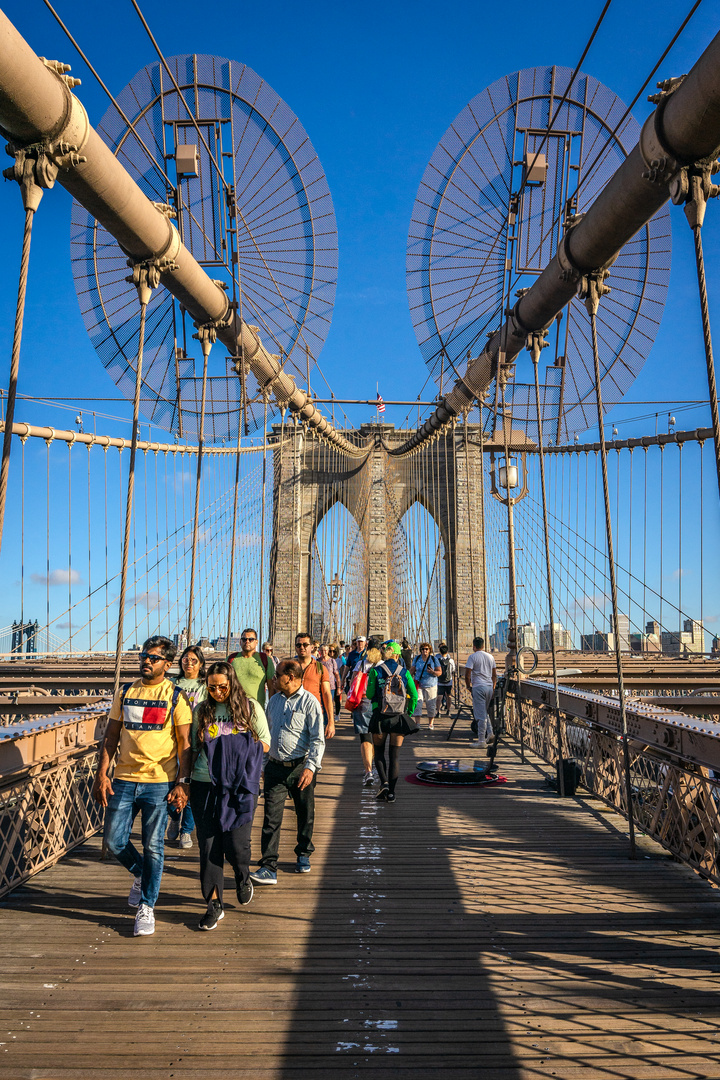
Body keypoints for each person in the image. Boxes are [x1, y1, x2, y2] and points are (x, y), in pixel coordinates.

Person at [92, 636, 193, 937]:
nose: (145, 662)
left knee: (153, 845)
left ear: (168, 663)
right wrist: (102, 773)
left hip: (159, 781)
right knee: (114, 841)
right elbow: (110, 736)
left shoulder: (176, 696)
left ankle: (147, 906)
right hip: (123, 778)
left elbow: (186, 745)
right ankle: (141, 874)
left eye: (153, 658)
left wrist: (182, 784)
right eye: (143, 657)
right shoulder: (125, 692)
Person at [189, 661, 270, 931]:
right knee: (209, 846)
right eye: (211, 688)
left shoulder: (250, 708)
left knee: (236, 845)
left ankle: (242, 874)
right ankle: (214, 904)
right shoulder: (201, 710)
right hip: (205, 782)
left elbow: (266, 743)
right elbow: (193, 747)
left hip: (240, 786)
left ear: (232, 683)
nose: (217, 692)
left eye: (222, 687)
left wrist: (231, 747)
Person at [250, 658, 325, 884]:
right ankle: (268, 866)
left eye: (278, 674)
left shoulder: (310, 703)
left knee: (305, 813)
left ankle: (303, 853)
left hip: (301, 766)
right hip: (275, 767)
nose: (274, 678)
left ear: (290, 677)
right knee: (271, 818)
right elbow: (266, 735)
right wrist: (264, 764)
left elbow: (318, 740)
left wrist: (311, 768)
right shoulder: (273, 701)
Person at [167, 644, 208, 848]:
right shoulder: (172, 683)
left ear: (201, 664)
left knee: (191, 783)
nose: (189, 663)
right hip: (173, 739)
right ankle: (174, 816)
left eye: (194, 660)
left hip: (197, 741)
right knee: (171, 781)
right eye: (185, 659)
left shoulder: (205, 685)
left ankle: (186, 831)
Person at [367, 641, 418, 803]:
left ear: (385, 654)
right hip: (398, 717)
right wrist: (408, 712)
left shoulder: (375, 671)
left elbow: (369, 694)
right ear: (397, 655)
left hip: (380, 717)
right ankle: (392, 794)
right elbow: (414, 696)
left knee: (379, 753)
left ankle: (384, 784)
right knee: (394, 756)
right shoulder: (404, 672)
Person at [349, 638, 380, 785]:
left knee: (365, 737)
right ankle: (374, 765)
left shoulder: (360, 664)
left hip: (363, 701)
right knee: (376, 737)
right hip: (379, 704)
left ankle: (368, 771)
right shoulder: (383, 665)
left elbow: (353, 683)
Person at [295, 632, 335, 739]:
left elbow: (327, 694)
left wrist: (331, 722)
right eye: (299, 645)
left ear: (312, 647)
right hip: (292, 716)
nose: (302, 647)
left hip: (314, 716)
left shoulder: (321, 668)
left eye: (305, 645)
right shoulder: (289, 667)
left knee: (315, 751)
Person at [229, 627, 275, 708]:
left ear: (256, 642)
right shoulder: (231, 659)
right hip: (234, 710)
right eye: (244, 639)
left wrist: (272, 709)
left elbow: (271, 688)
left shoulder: (265, 660)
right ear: (240, 642)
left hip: (257, 711)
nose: (247, 642)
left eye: (251, 639)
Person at [464, 636, 497, 748]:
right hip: (489, 687)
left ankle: (481, 741)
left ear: (474, 646)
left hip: (478, 687)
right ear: (483, 646)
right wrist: (493, 688)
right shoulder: (490, 657)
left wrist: (469, 687)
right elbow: (494, 675)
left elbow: (467, 675)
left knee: (479, 715)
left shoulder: (472, 657)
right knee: (484, 712)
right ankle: (491, 733)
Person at [411, 642, 442, 730]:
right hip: (419, 684)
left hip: (431, 684)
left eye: (426, 649)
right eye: (423, 649)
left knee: (430, 704)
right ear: (420, 650)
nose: (424, 650)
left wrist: (433, 672)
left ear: (429, 650)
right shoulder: (417, 659)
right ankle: (417, 723)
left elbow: (440, 672)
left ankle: (430, 723)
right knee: (417, 703)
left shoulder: (433, 659)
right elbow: (412, 670)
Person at [436, 643, 456, 715]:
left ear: (440, 652)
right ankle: (449, 710)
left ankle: (438, 711)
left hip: (440, 681)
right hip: (449, 681)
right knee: (449, 696)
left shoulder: (437, 660)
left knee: (439, 696)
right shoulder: (451, 661)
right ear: (447, 652)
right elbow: (453, 670)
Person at [328, 644, 343, 715]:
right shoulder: (325, 659)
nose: (331, 653)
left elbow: (342, 671)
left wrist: (341, 682)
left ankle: (337, 713)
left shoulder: (338, 660)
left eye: (333, 651)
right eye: (330, 651)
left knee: (337, 699)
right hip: (328, 682)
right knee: (329, 699)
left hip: (336, 681)